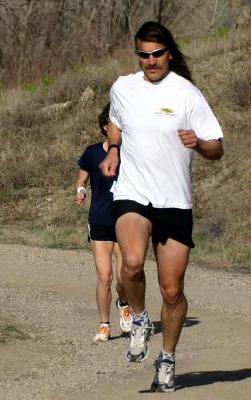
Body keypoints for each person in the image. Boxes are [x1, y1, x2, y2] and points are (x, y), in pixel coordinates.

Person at [100, 21, 224, 392]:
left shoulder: (187, 94)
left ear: (169, 52)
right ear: (137, 55)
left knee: (171, 291)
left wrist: (198, 143)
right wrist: (114, 148)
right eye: (144, 55)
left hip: (175, 199)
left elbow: (217, 147)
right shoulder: (123, 87)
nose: (150, 61)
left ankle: (167, 358)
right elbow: (114, 124)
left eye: (156, 54)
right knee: (132, 261)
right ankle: (138, 318)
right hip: (133, 192)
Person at [76, 103, 132, 343]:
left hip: (124, 220)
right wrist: (80, 189)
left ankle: (124, 303)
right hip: (99, 219)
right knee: (104, 276)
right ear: (104, 126)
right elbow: (82, 176)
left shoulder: (131, 151)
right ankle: (104, 325)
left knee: (122, 278)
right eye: (113, 125)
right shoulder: (92, 152)